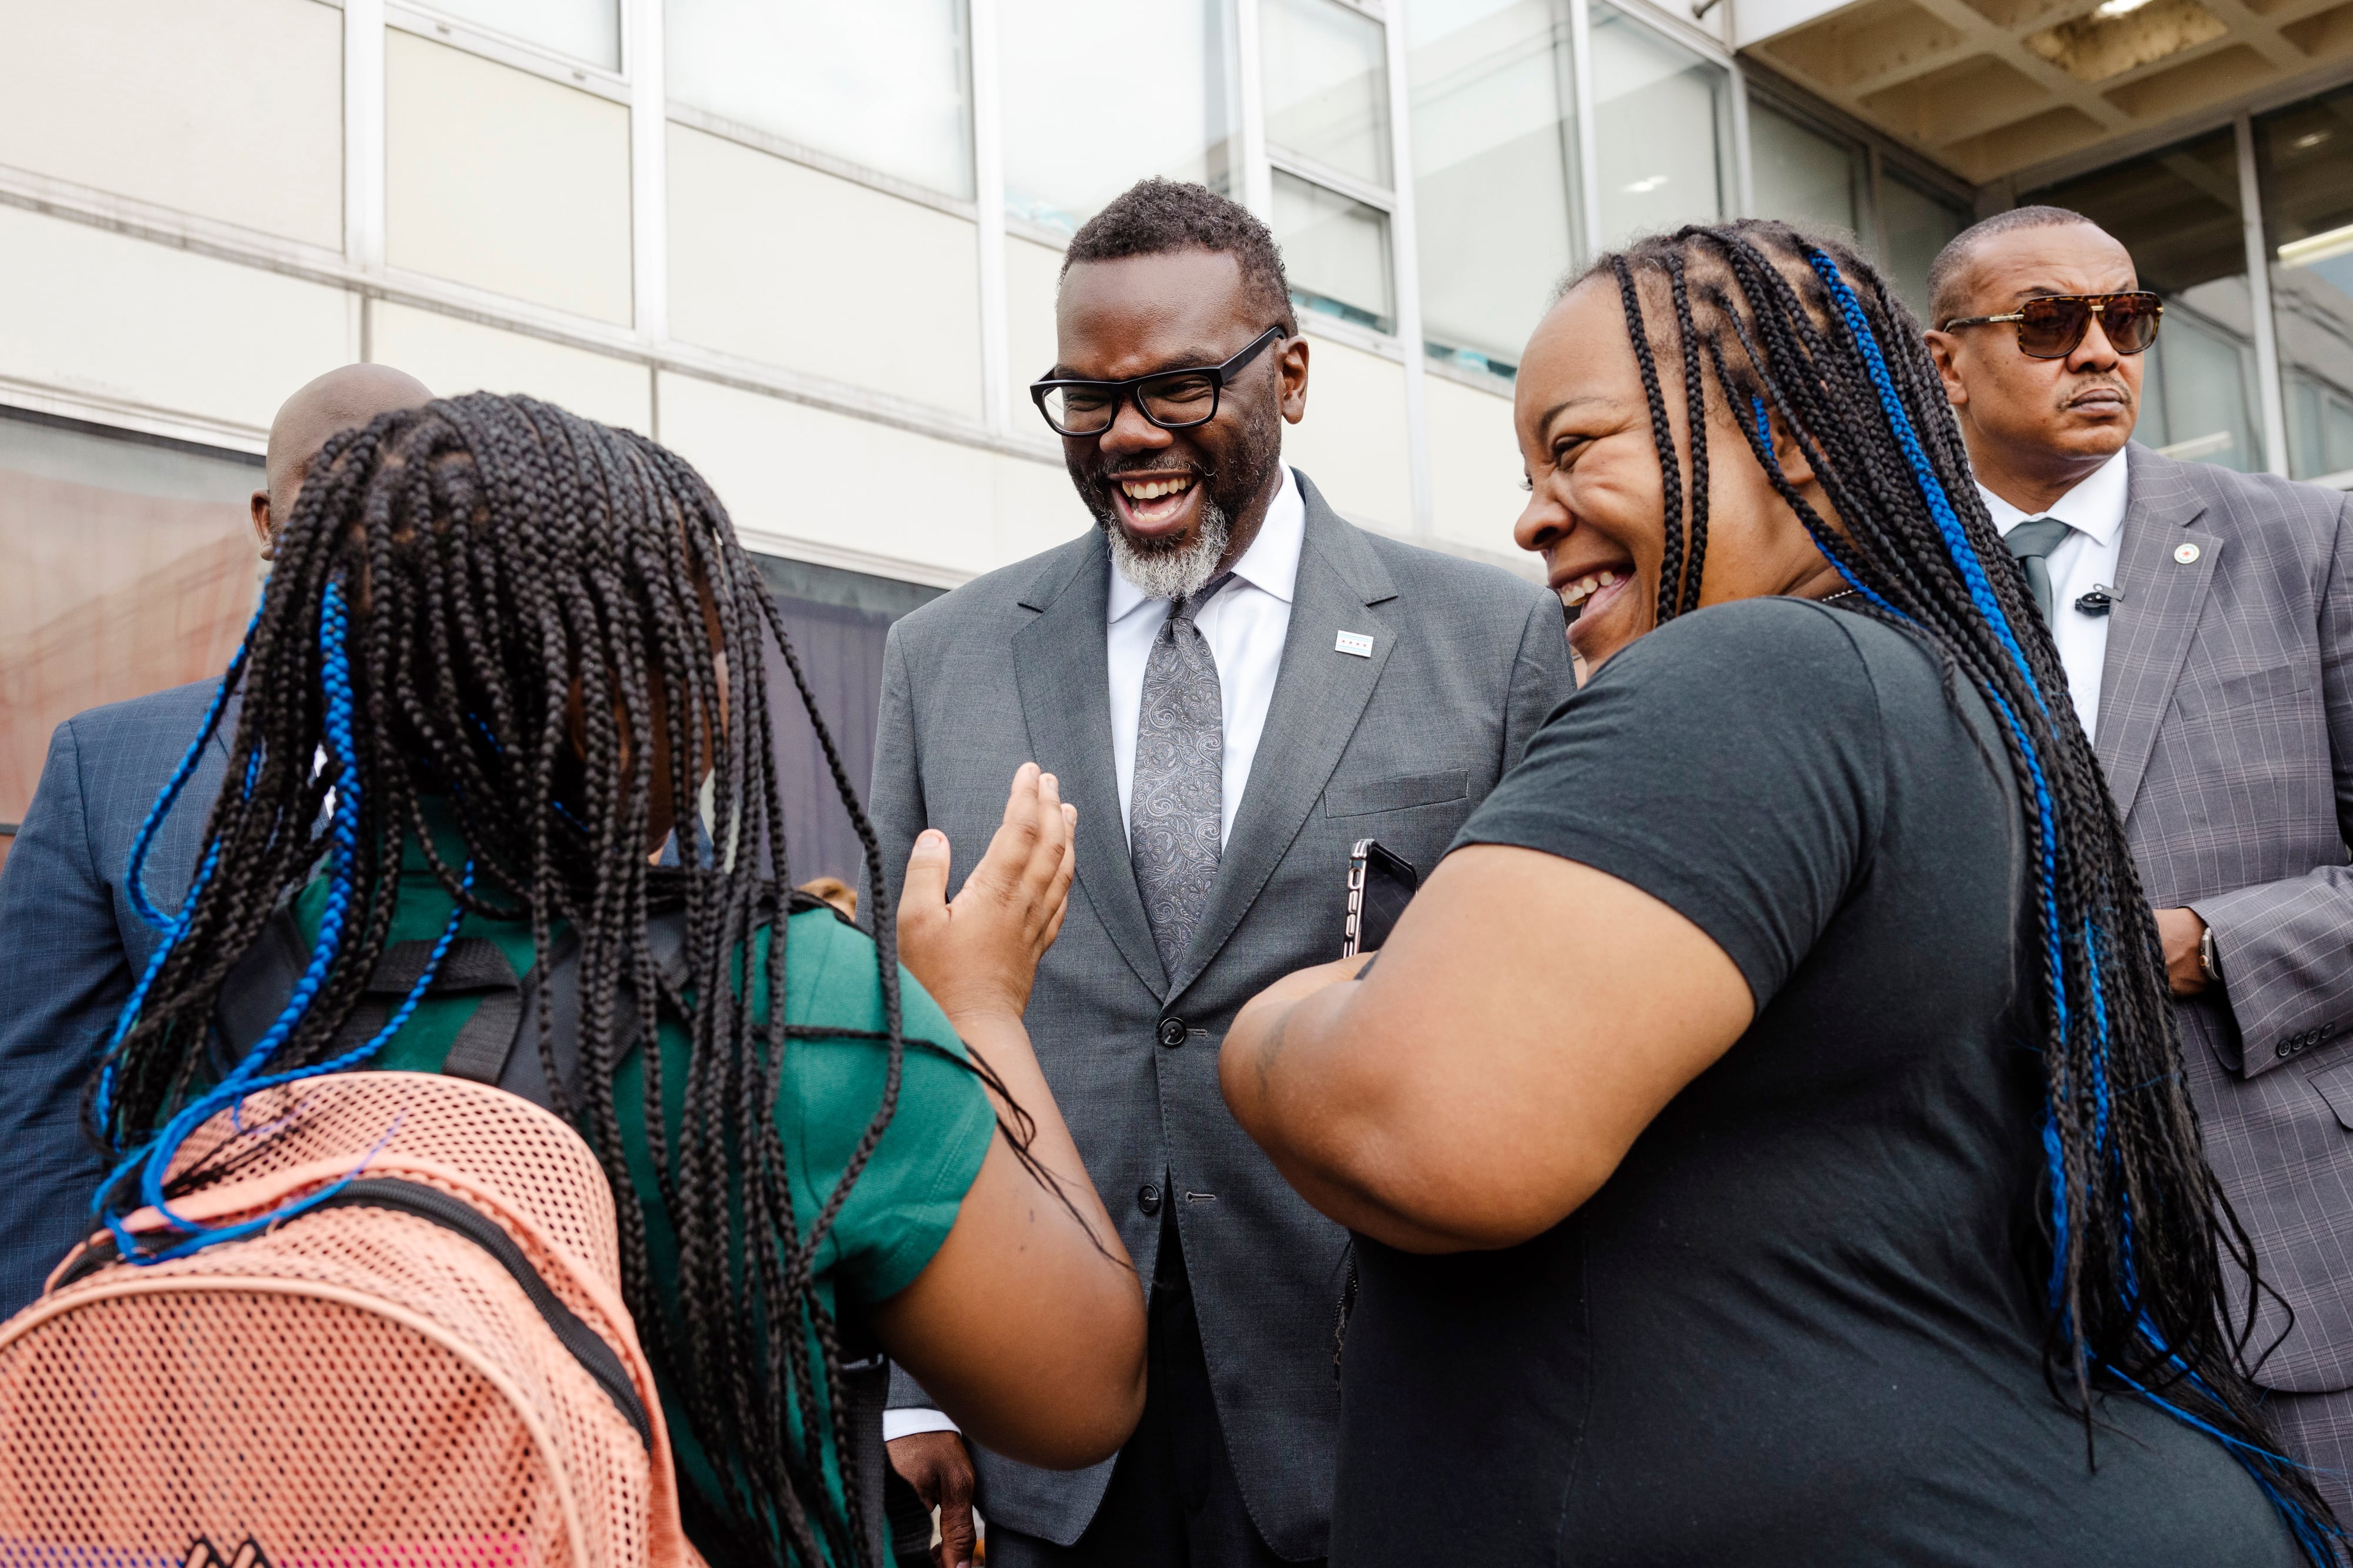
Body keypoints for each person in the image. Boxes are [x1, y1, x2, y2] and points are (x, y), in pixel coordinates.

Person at [1219, 221, 2337, 1565]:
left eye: (1574, 449)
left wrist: (1286, 1016)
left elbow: (1430, 1124)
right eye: (1525, 471)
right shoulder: (1951, 698)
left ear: (1790, 437)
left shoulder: (1756, 670)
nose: (1528, 514)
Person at [84, 392, 1146, 1566]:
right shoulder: (783, 1001)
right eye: (692, 651)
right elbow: (1083, 1391)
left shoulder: (223, 984)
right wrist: (981, 1006)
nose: (722, 693)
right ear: (609, 693)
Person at [866, 178, 1571, 1568]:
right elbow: (911, 1028)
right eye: (1085, 395)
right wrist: (923, 1372)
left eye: (1179, 387)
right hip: (1045, 1410)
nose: (1127, 434)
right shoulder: (938, 656)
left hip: (1370, 1391)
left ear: (1290, 375)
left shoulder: (1488, 640)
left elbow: (1542, 1024)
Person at [1925, 206, 2353, 1517]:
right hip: (1998, 1280)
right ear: (1946, 361)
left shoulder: (2303, 542)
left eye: (2127, 319)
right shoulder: (1879, 592)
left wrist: (2204, 945)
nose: (2100, 351)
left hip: (2295, 1241)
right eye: (2048, 324)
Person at [0, 361, 431, 1315]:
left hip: (471, 1355)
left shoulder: (555, 765)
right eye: (335, 475)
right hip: (182, 1339)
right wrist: (48, 1357)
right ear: (266, 519)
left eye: (412, 478)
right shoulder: (107, 767)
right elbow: (34, 1108)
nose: (373, 511)